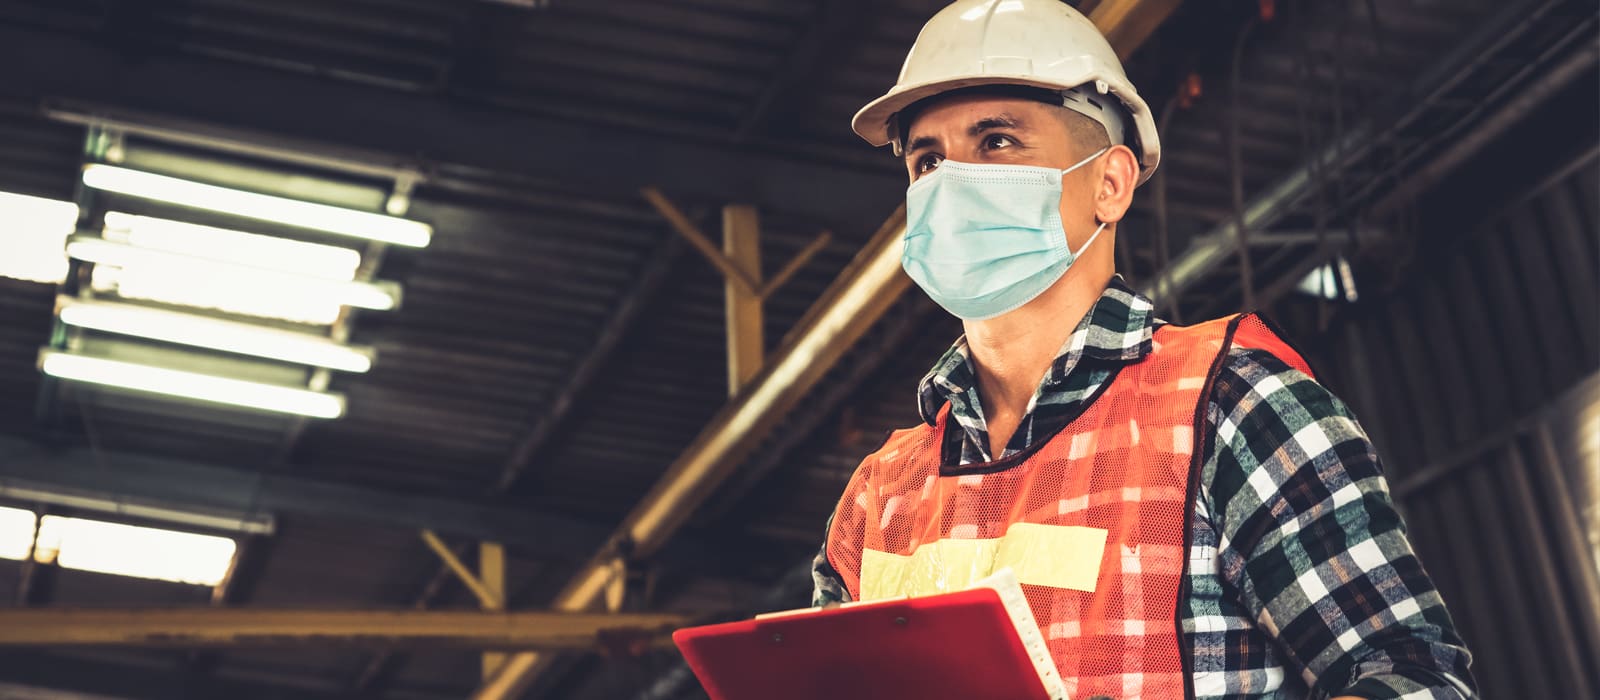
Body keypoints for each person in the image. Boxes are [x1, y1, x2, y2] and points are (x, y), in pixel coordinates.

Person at [810, 1, 1477, 698]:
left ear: (1110, 183)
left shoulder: (1233, 407)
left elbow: (1410, 680)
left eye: (998, 142)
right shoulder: (879, 496)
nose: (952, 183)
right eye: (927, 160)